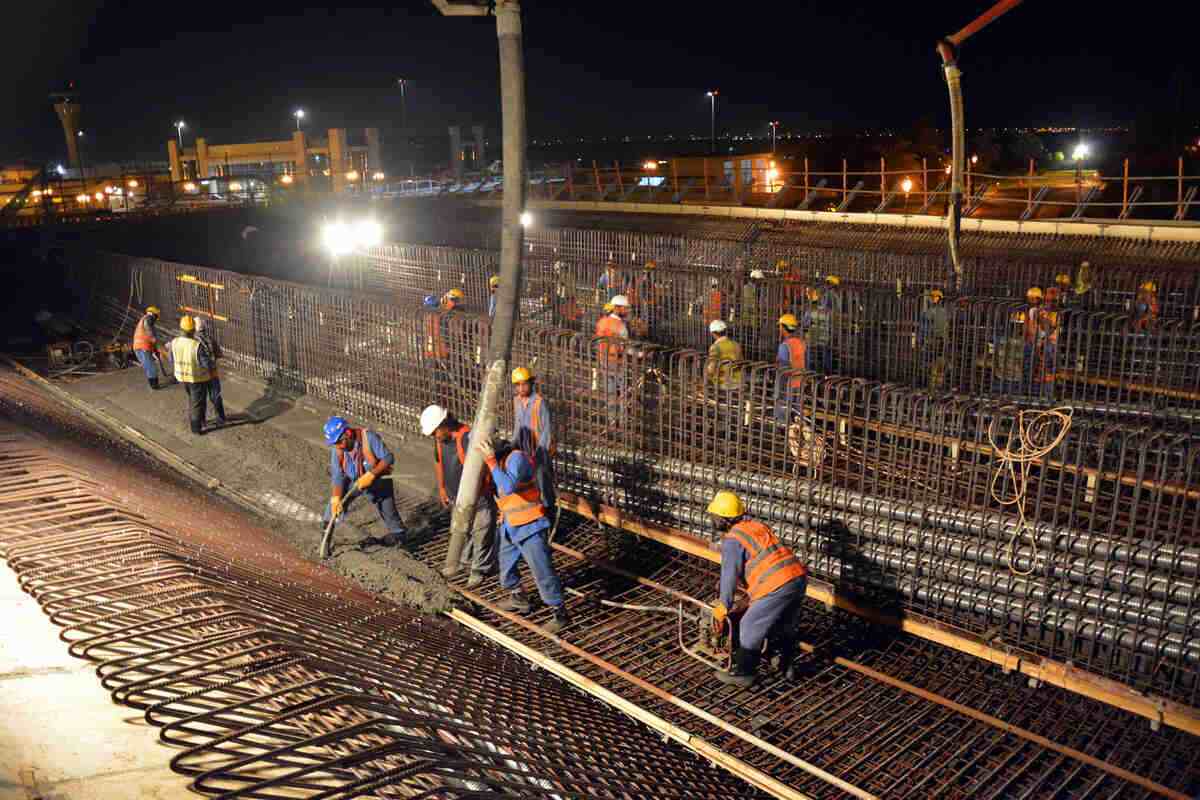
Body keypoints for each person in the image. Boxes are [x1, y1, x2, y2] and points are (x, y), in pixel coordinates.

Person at [706, 490, 807, 687]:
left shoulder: (733, 540)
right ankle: (787, 667)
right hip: (797, 577)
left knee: (749, 625)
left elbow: (729, 576)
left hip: (776, 584)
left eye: (714, 516)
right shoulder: (756, 526)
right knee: (785, 625)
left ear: (723, 519)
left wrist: (723, 606)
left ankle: (744, 673)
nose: (712, 519)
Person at [476, 435, 569, 634]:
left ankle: (559, 613)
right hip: (510, 524)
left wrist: (491, 462)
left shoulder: (516, 458)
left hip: (531, 526)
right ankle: (519, 598)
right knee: (506, 565)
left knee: (542, 571)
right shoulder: (497, 463)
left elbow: (508, 486)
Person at [421, 404, 497, 586]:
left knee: (482, 534)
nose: (435, 437)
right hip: (458, 498)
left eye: (435, 432)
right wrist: (442, 488)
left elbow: (485, 467)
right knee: (465, 531)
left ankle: (479, 570)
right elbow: (439, 463)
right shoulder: (441, 441)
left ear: (445, 424)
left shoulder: (467, 438)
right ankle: (465, 562)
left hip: (479, 498)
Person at [322, 416, 408, 548]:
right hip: (353, 482)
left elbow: (388, 458)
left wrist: (371, 474)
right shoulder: (338, 450)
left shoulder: (369, 438)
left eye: (339, 442)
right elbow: (338, 476)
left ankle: (400, 537)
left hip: (377, 481)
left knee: (389, 513)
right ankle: (325, 539)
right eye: (335, 443)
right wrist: (336, 498)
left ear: (348, 434)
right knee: (332, 508)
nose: (337, 446)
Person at [512, 366, 555, 510]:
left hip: (539, 455)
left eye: (524, 384)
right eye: (518, 385)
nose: (521, 388)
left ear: (531, 383)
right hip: (524, 453)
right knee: (528, 489)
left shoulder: (539, 402)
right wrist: (513, 446)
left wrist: (539, 455)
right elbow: (517, 427)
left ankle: (549, 515)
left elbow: (546, 432)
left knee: (543, 489)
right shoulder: (517, 401)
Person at [169, 316, 216, 435]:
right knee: (197, 403)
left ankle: (201, 420)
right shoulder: (196, 345)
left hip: (182, 377)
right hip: (196, 379)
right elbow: (206, 364)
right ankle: (196, 428)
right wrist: (212, 364)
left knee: (193, 399)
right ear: (193, 330)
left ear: (181, 328)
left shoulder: (174, 342)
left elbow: (171, 359)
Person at [595, 295, 631, 410]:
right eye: (625, 308)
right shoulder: (621, 326)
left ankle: (611, 419)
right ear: (617, 308)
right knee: (623, 392)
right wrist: (641, 354)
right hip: (617, 362)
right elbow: (625, 348)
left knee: (610, 391)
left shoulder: (601, 322)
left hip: (604, 360)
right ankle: (622, 420)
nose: (626, 311)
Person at [193, 317, 227, 426]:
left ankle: (202, 421)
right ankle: (221, 418)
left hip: (200, 375)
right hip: (213, 373)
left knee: (201, 399)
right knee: (215, 396)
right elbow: (219, 354)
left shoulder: (192, 341)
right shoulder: (210, 339)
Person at [774, 313, 805, 423]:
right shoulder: (801, 343)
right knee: (797, 412)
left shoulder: (784, 346)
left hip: (787, 383)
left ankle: (783, 431)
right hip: (800, 381)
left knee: (783, 411)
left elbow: (783, 368)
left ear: (783, 327)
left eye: (780, 326)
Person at [704, 320, 743, 392]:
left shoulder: (715, 347)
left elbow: (711, 369)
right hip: (739, 380)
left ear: (713, 333)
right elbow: (740, 362)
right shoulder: (736, 344)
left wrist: (706, 376)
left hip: (724, 382)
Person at [132, 305, 164, 390]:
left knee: (148, 367)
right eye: (156, 315)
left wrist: (155, 350)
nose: (157, 318)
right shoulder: (148, 318)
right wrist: (154, 340)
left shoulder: (144, 320)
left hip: (140, 347)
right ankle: (154, 385)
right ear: (153, 314)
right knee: (151, 367)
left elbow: (149, 337)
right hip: (143, 347)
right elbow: (150, 333)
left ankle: (153, 384)